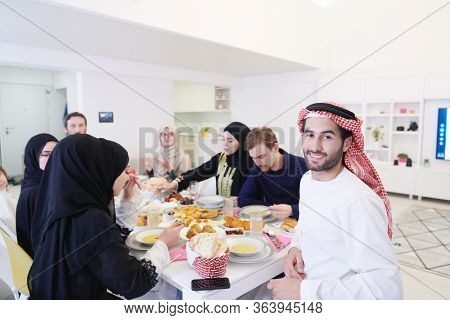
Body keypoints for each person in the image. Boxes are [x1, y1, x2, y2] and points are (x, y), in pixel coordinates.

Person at [267, 102, 402, 300]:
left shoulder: (358, 201)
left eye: (327, 136)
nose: (315, 146)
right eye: (310, 135)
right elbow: (306, 225)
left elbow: (386, 289)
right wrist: (296, 247)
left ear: (346, 144)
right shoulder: (307, 180)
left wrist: (304, 291)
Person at [28, 134, 183, 299]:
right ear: (99, 171)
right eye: (122, 170)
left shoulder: (62, 207)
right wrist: (163, 244)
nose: (127, 176)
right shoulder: (89, 218)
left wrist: (127, 201)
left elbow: (104, 246)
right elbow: (135, 283)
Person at [158, 122, 253, 199]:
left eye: (230, 141)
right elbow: (196, 173)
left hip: (246, 215)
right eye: (223, 139)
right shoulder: (221, 158)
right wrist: (174, 184)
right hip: (222, 213)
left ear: (242, 142)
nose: (225, 144)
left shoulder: (253, 162)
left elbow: (258, 195)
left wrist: (241, 200)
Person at [238, 127, 308, 220]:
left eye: (261, 156)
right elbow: (243, 199)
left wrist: (292, 210)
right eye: (253, 158)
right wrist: (273, 208)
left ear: (275, 147)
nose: (257, 163)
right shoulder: (258, 168)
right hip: (273, 224)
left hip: (299, 224)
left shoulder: (303, 166)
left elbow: (319, 206)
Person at [16, 134, 58, 257]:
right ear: (33, 158)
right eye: (46, 154)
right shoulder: (35, 192)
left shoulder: (47, 184)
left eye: (56, 152)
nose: (53, 158)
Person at [0, 166, 17, 240]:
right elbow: (14, 227)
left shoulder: (5, 193)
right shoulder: (2, 197)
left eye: (0, 174)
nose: (0, 180)